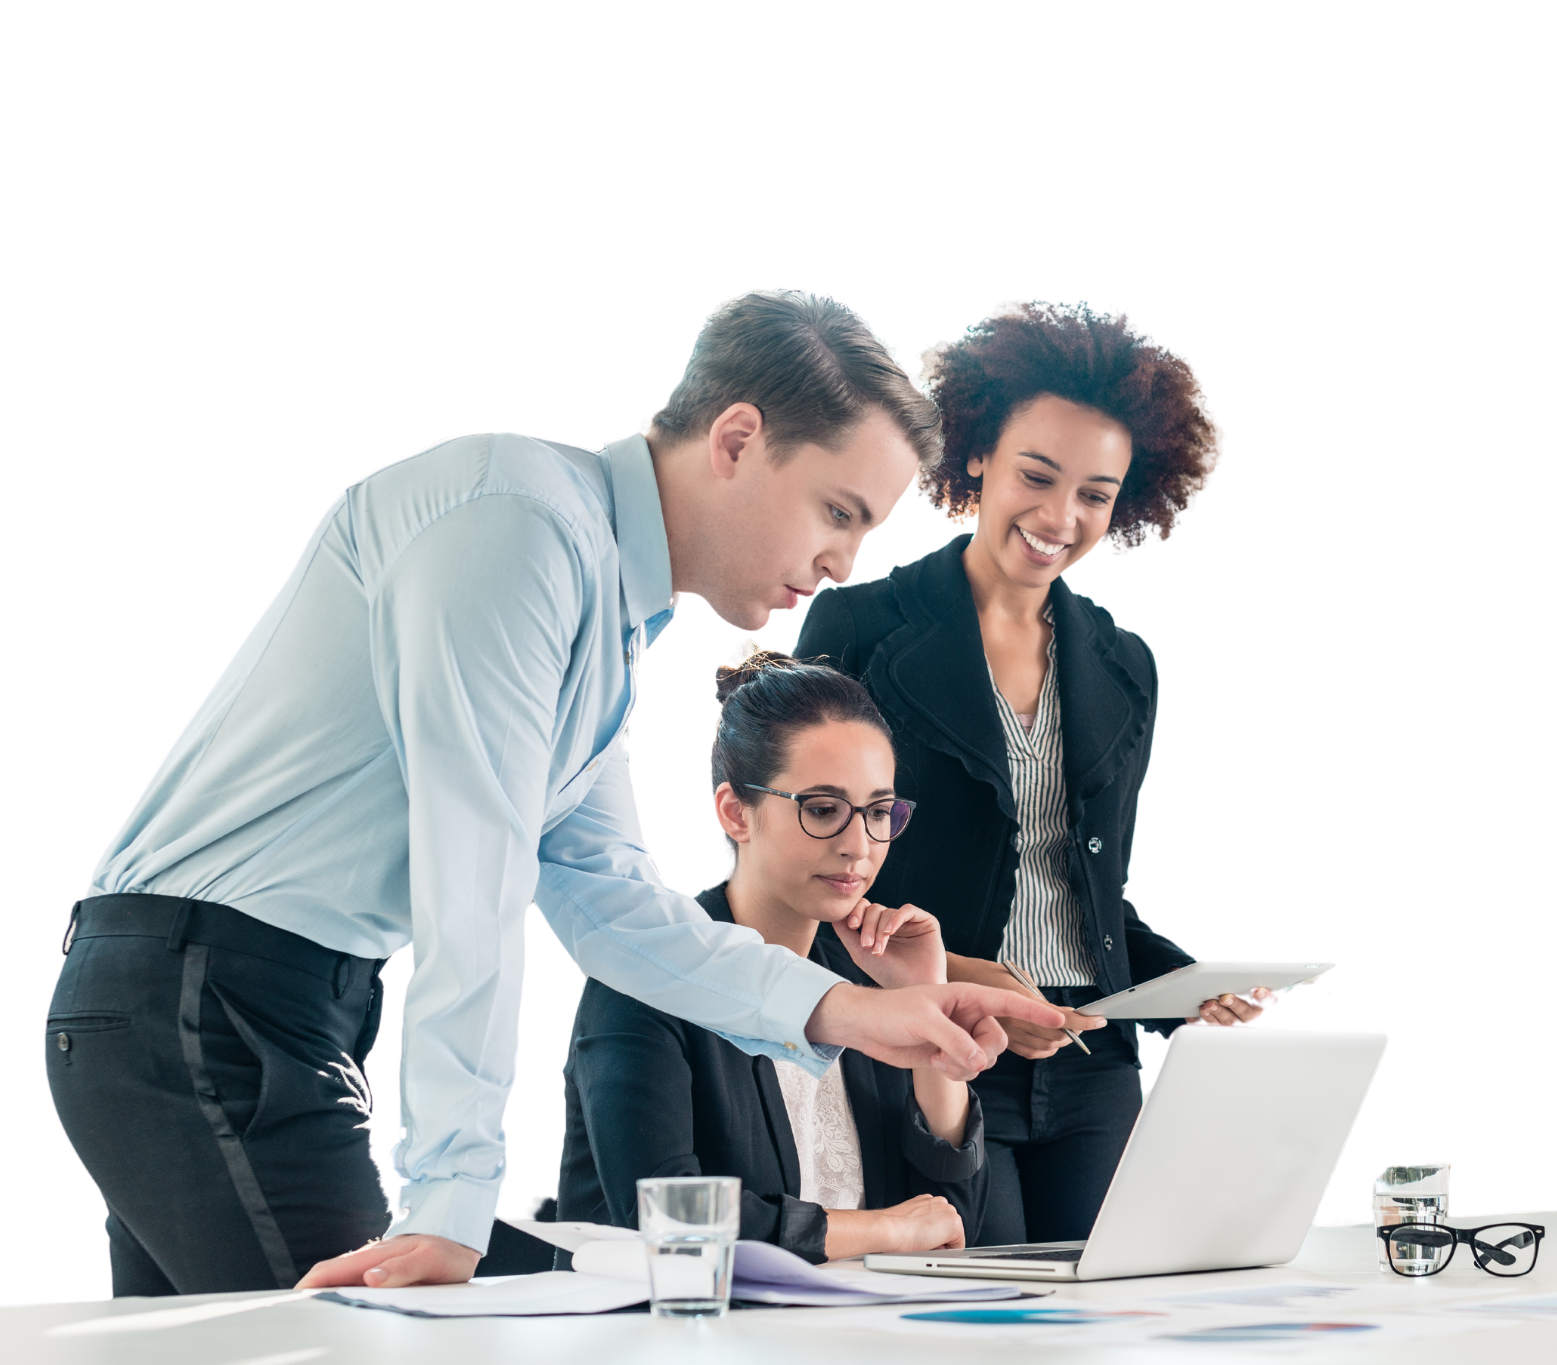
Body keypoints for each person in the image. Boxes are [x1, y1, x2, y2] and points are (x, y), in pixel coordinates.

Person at [43, 289, 1062, 1296]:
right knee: (370, 1336)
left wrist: (853, 1012)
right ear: (738, 439)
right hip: (202, 996)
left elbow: (616, 909)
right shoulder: (516, 526)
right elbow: (472, 878)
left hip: (247, 1000)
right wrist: (447, 1201)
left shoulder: (600, 620)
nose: (842, 564)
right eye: (838, 512)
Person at [794, 298, 1279, 1247]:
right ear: (975, 455)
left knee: (1108, 1318)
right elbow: (802, 879)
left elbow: (1097, 900)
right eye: (1036, 475)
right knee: (966, 1323)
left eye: (1095, 494)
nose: (1059, 518)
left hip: (1091, 1066)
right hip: (930, 1047)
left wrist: (1190, 986)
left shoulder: (1122, 662)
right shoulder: (858, 628)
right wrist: (970, 980)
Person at [558, 647, 1017, 1259]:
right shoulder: (646, 968)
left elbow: (954, 1223)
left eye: (879, 812)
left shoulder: (867, 974)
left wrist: (925, 1003)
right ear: (734, 813)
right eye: (824, 810)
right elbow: (665, 1217)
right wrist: (881, 1231)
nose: (860, 846)